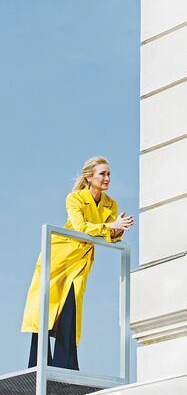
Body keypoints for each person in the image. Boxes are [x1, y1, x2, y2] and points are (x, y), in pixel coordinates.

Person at [21, 156, 134, 369]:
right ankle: (38, 362)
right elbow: (80, 227)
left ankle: (66, 364)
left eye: (109, 174)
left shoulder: (111, 203)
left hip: (81, 260)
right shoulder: (74, 198)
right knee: (44, 307)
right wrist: (110, 228)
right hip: (59, 255)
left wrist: (118, 230)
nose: (107, 178)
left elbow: (106, 233)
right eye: (103, 174)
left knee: (70, 306)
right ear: (89, 177)